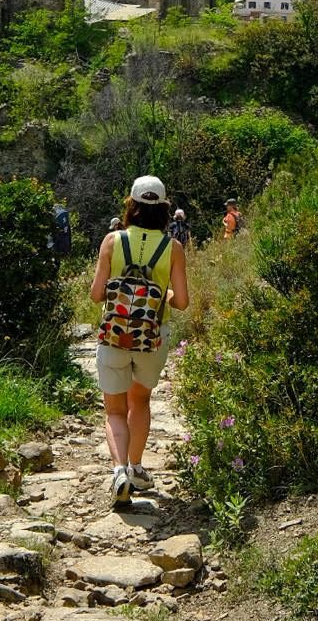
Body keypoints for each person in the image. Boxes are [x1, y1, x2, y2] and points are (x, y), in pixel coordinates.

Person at [90, 175, 189, 506]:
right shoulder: (172, 247)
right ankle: (134, 467)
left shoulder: (112, 241)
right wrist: (164, 293)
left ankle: (118, 471)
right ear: (163, 209)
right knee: (140, 402)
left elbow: (95, 295)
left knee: (114, 410)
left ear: (131, 205)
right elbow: (182, 302)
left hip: (115, 335)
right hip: (152, 337)